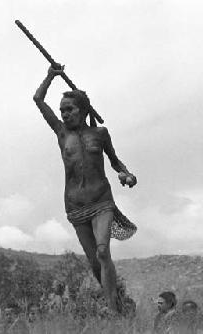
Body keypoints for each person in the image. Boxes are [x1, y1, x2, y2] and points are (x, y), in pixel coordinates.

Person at [33, 65, 137, 313]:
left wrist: (127, 174)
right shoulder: (60, 133)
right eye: (62, 111)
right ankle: (118, 302)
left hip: (101, 199)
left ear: (83, 110)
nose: (65, 114)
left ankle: (112, 309)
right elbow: (38, 99)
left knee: (102, 252)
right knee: (93, 262)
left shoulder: (99, 133)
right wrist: (50, 75)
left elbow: (115, 161)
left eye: (69, 109)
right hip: (76, 204)